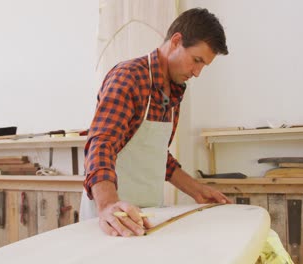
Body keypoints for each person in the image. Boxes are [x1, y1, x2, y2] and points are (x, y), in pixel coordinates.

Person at [80, 7, 230, 237]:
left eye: (203, 66)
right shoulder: (129, 77)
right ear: (176, 41)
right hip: (112, 218)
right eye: (196, 60)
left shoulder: (175, 90)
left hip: (146, 217)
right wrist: (108, 204)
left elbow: (157, 157)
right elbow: (101, 144)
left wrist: (197, 190)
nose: (197, 72)